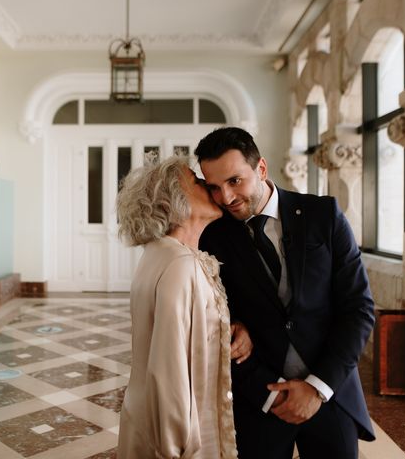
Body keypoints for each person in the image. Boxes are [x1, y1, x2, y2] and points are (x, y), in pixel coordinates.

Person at [195, 127, 376, 459]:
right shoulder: (212, 238)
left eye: (235, 181)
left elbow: (358, 309)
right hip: (260, 401)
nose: (226, 197)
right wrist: (268, 391)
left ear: (261, 169)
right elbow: (212, 323)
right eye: (214, 187)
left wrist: (317, 388)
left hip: (330, 393)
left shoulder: (324, 216)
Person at [116, 156, 251, 459]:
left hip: (147, 422)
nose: (207, 184)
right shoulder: (181, 265)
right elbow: (169, 372)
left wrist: (224, 329)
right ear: (174, 198)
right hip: (177, 442)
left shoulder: (161, 254)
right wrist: (178, 447)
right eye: (195, 179)